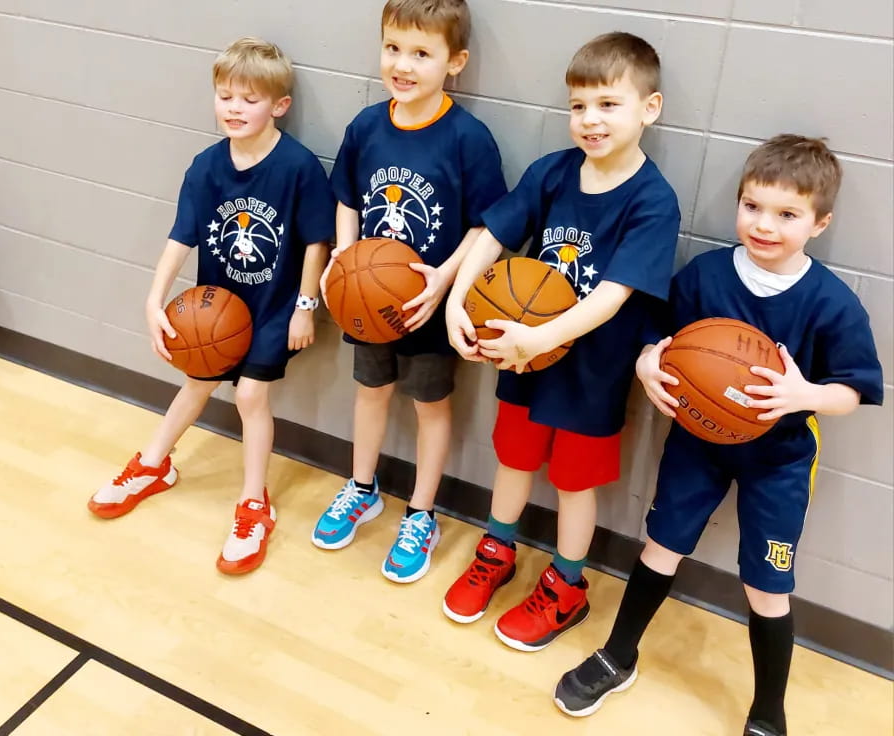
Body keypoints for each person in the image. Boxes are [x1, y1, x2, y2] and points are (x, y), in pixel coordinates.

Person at [553, 135, 884, 736]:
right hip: (697, 443)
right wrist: (649, 361)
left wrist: (803, 395)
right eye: (753, 206)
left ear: (820, 222)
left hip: (779, 459)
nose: (764, 225)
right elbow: (657, 336)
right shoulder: (705, 275)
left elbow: (854, 391)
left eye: (787, 214)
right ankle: (618, 655)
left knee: (767, 584)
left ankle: (768, 710)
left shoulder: (832, 304)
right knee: (662, 546)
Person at [442, 32, 680, 651]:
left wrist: (536, 336)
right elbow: (492, 234)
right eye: (578, 106)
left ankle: (567, 587)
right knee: (513, 460)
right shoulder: (552, 172)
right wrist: (456, 302)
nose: (590, 120)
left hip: (591, 375)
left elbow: (614, 296)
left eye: (608, 104)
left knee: (575, 483)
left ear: (648, 109)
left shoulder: (653, 201)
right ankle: (497, 550)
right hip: (524, 359)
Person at [88, 37, 334, 576]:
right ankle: (153, 465)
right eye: (225, 96)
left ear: (280, 106)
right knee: (196, 383)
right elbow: (181, 238)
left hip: (272, 308)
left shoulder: (298, 167)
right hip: (217, 308)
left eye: (248, 99)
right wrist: (155, 299)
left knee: (250, 396)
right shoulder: (205, 166)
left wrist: (305, 306)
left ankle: (254, 505)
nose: (234, 109)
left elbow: (319, 242)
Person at [311, 0, 507, 584]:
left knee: (430, 406)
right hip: (367, 299)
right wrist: (344, 257)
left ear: (455, 62)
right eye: (394, 48)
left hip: (426, 302)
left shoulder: (469, 138)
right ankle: (362, 488)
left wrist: (445, 278)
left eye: (422, 53)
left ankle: (422, 513)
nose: (403, 64)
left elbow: (486, 224)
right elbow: (347, 196)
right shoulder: (366, 126)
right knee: (369, 392)